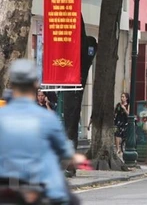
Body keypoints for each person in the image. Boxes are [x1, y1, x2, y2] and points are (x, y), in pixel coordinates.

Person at [0, 59, 85, 205]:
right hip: (41, 186)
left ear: (12, 84)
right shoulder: (46, 118)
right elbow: (64, 150)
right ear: (35, 84)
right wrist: (74, 158)